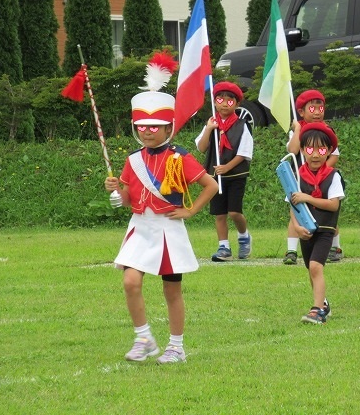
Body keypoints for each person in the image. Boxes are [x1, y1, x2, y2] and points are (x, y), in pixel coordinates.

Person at [105, 90, 218, 364]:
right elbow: (128, 200)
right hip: (140, 228)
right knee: (130, 281)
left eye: (153, 127)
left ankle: (176, 346)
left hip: (168, 230)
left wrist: (190, 210)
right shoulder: (132, 160)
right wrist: (116, 190)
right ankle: (143, 338)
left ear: (168, 127)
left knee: (172, 290)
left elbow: (211, 186)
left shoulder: (179, 157)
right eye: (141, 127)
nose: (147, 132)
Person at [289, 122, 344, 324]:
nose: (315, 154)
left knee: (315, 267)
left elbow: (333, 205)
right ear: (303, 150)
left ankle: (317, 310)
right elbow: (292, 205)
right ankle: (323, 304)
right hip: (305, 231)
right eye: (310, 149)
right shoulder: (296, 175)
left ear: (329, 151)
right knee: (311, 271)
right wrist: (296, 226)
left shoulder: (333, 176)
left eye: (321, 149)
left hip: (324, 230)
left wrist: (308, 198)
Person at [283, 90, 344, 264]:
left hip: (324, 177)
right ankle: (291, 251)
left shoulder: (326, 131)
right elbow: (293, 150)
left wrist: (322, 172)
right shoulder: (297, 130)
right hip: (301, 178)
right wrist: (298, 130)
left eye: (320, 108)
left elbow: (334, 155)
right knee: (296, 210)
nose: (317, 112)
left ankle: (335, 247)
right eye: (312, 108)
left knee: (328, 213)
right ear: (301, 112)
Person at [196, 82, 253, 262]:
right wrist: (208, 129)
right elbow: (201, 147)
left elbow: (244, 153)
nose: (224, 104)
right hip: (215, 177)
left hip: (235, 175)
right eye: (220, 99)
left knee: (234, 212)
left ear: (236, 104)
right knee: (219, 214)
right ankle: (224, 247)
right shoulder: (212, 124)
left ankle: (244, 236)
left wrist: (227, 167)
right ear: (215, 102)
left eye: (230, 101)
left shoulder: (242, 125)